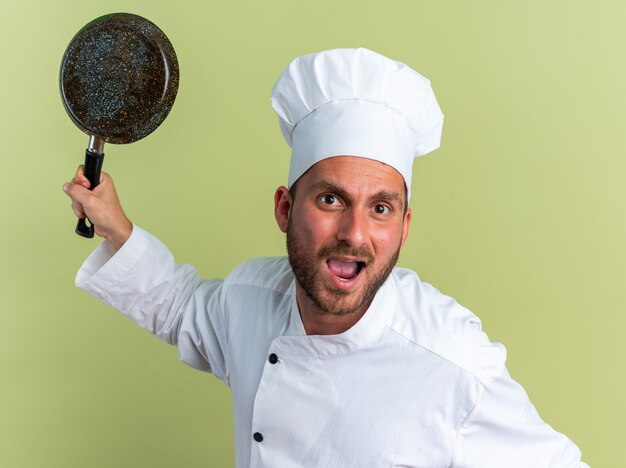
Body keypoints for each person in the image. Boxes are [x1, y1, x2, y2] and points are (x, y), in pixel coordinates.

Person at [62, 48, 588, 467]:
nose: (354, 233)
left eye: (380, 208)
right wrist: (117, 227)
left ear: (403, 228)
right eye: (331, 199)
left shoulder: (453, 363)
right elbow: (181, 308)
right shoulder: (250, 299)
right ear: (285, 208)